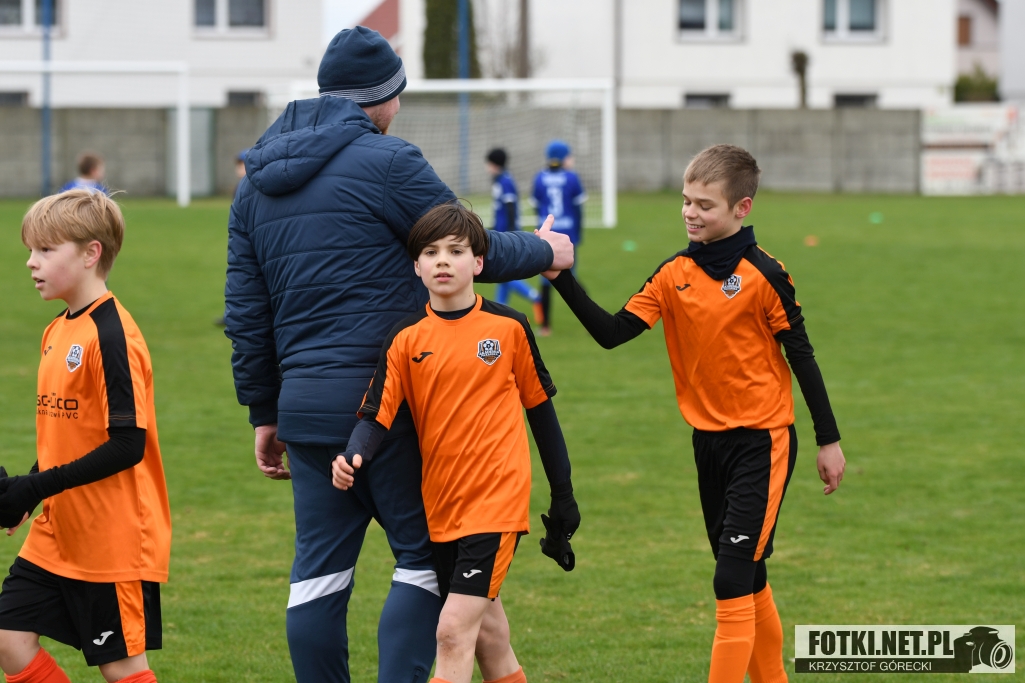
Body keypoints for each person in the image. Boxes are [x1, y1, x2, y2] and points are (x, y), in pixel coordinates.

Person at [224, 26, 574, 683]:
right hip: (393, 405)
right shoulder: (388, 161)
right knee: (423, 562)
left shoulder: (255, 183)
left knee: (317, 575)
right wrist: (545, 249)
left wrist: (263, 411)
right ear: (382, 98)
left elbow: (246, 315)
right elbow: (465, 246)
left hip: (304, 411)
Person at [544, 145, 846, 683]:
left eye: (705, 205)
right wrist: (560, 275)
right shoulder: (673, 273)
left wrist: (829, 440)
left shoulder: (765, 274)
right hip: (707, 443)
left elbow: (802, 356)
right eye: (686, 200)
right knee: (747, 574)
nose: (690, 212)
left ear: (741, 208)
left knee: (730, 579)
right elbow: (612, 333)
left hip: (762, 441)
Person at [332, 203, 580, 683]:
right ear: (416, 266)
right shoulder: (405, 338)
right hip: (442, 506)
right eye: (430, 252)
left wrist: (563, 496)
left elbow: (542, 416)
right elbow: (375, 416)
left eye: (455, 250)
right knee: (490, 638)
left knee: (451, 632)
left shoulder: (509, 328)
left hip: (497, 502)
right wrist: (352, 454)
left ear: (479, 262)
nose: (442, 260)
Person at [0, 190, 170, 683]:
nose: (31, 262)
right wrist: (28, 491)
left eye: (46, 250)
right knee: (9, 639)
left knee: (121, 669)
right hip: (58, 530)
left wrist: (35, 486)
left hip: (112, 539)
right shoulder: (56, 331)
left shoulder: (114, 335)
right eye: (30, 250)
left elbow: (127, 445)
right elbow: (71, 432)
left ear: (91, 253)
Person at [531, 140, 586, 335]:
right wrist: (578, 233)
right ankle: (592, 321)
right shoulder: (572, 177)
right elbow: (578, 209)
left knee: (546, 280)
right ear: (563, 158)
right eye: (569, 155)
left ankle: (545, 326)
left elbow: (536, 206)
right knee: (572, 279)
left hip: (547, 236)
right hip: (567, 235)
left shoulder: (539, 178)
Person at [486, 149, 543, 322]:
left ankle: (534, 296)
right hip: (500, 232)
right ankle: (499, 311)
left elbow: (510, 208)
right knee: (503, 273)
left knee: (503, 272)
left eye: (489, 164)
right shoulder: (499, 181)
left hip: (506, 234)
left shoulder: (506, 181)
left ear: (494, 164)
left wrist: (510, 234)